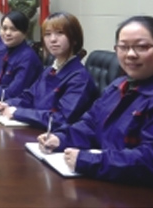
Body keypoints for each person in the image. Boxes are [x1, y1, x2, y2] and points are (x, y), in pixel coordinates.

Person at [38, 15, 153, 185]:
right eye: (123, 47)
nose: (130, 54)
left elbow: (148, 159)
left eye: (142, 47)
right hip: (107, 182)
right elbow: (91, 124)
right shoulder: (118, 85)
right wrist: (61, 138)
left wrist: (89, 161)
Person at [0, 12, 98, 129]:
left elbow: (61, 119)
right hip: (37, 130)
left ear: (74, 38)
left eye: (60, 33)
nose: (52, 39)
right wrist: (8, 104)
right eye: (47, 34)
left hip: (54, 137)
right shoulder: (50, 70)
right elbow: (30, 97)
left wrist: (18, 113)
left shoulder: (80, 78)